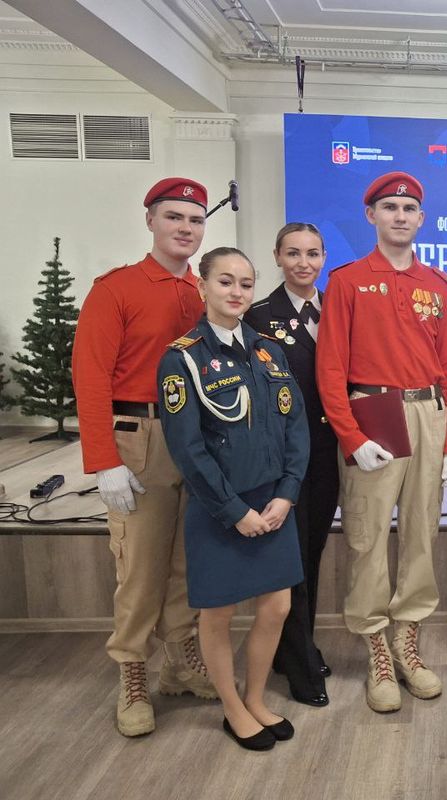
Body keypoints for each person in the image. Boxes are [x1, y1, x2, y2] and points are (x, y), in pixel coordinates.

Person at [316, 171, 447, 713]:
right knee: (367, 535)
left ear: (421, 219)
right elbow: (329, 368)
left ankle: (408, 639)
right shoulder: (348, 281)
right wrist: (351, 434)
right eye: (390, 207)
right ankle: (376, 647)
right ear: (371, 216)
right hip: (373, 413)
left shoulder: (439, 286)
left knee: (423, 532)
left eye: (408, 208)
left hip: (429, 412)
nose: (400, 216)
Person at [71, 177, 218, 737]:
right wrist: (104, 459)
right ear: (151, 220)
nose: (185, 228)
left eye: (195, 220)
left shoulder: (203, 293)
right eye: (174, 216)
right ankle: (132, 669)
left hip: (196, 437)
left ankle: (180, 662)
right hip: (143, 436)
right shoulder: (117, 288)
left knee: (187, 561)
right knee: (139, 566)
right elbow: (90, 376)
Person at [158, 247, 309, 752]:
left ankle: (256, 697)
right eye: (225, 281)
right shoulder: (182, 358)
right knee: (218, 614)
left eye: (246, 283)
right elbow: (187, 448)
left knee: (277, 607)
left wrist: (287, 494)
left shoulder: (269, 351)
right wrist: (233, 511)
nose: (237, 292)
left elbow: (295, 427)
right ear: (202, 287)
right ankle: (231, 708)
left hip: (273, 503)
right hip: (219, 507)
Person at [244, 223, 338, 707]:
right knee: (291, 557)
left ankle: (295, 646)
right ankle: (301, 665)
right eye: (294, 253)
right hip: (284, 457)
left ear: (324, 257)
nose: (304, 263)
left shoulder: (338, 308)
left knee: (312, 552)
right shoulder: (259, 316)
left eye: (313, 253)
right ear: (278, 257)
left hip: (329, 452)